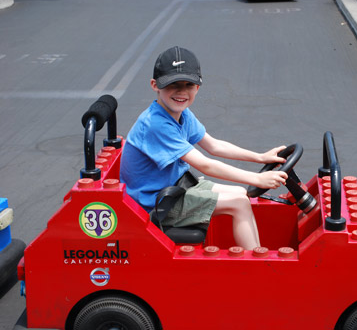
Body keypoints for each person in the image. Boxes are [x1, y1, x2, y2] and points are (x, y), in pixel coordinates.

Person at [120, 46, 288, 250]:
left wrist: (260, 158)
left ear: (197, 88)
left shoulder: (180, 113)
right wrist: (257, 178)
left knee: (241, 194)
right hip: (156, 204)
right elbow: (205, 165)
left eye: (188, 85)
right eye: (173, 84)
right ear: (155, 85)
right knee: (240, 204)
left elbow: (215, 146)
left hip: (176, 187)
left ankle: (255, 255)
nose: (181, 92)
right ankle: (257, 264)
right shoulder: (156, 124)